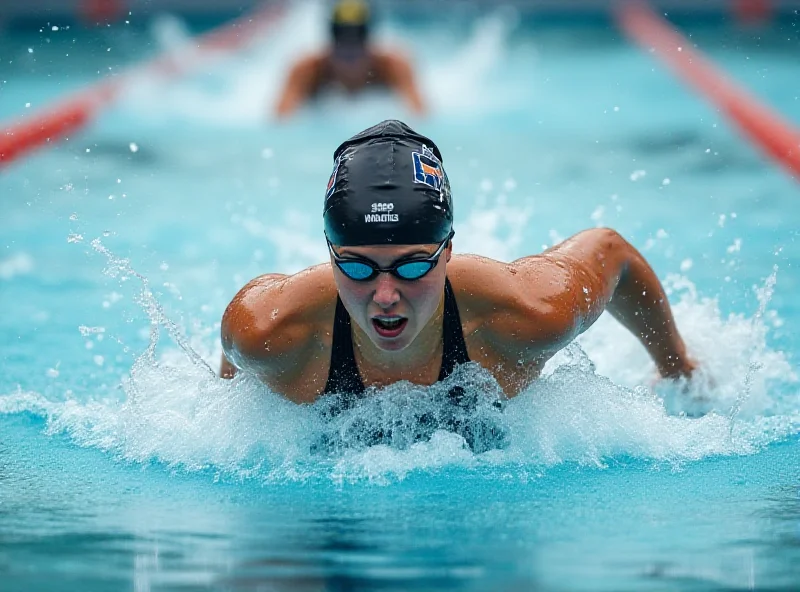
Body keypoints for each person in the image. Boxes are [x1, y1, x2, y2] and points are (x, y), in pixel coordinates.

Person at [220, 119, 697, 424]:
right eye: (359, 268)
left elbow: (611, 251)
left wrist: (678, 369)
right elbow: (235, 357)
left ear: (448, 250)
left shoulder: (526, 314)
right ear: (330, 255)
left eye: (411, 266)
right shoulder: (274, 332)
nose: (385, 295)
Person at [274, 0, 426, 119]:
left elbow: (422, 117)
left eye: (357, 43)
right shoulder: (308, 71)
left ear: (370, 43)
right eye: (342, 43)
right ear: (330, 43)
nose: (350, 55)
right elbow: (279, 123)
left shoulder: (392, 67)